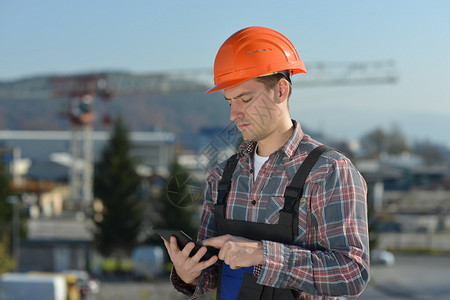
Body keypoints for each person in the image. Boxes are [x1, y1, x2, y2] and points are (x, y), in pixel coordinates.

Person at [162, 26, 370, 300]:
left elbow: (351, 273)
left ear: (281, 90)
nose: (234, 114)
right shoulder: (222, 177)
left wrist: (262, 254)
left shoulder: (329, 171)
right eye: (229, 102)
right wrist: (189, 274)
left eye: (245, 99)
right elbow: (212, 273)